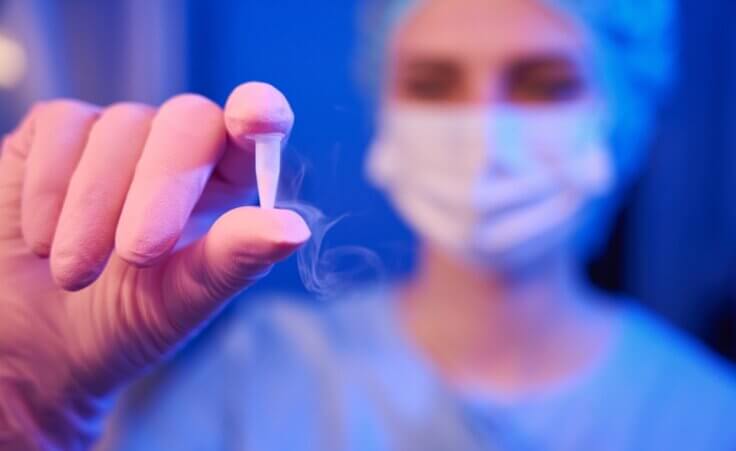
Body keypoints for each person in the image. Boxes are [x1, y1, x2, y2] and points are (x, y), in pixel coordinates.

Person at [1, 0, 735, 450]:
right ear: (385, 113)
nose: (485, 128)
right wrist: (29, 417)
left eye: (544, 82)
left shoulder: (708, 417)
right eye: (432, 84)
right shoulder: (257, 374)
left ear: (623, 116)